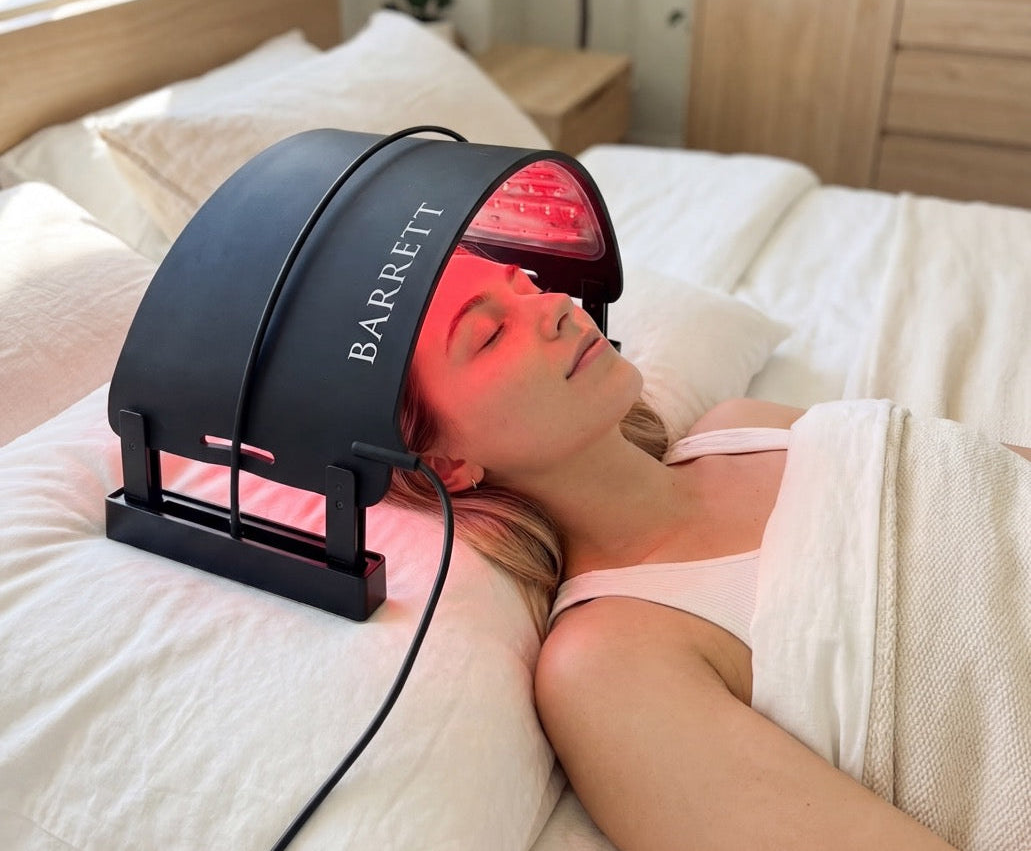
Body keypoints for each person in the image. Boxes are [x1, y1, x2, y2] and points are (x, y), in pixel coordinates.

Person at [386, 248, 1031, 851]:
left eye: (524, 284)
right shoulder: (608, 663)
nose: (554, 304)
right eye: (490, 333)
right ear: (446, 464)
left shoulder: (743, 424)